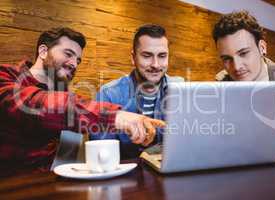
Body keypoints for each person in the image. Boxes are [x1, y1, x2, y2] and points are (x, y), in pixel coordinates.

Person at [0, 27, 165, 175]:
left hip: (49, 182)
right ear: (43, 51)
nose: (74, 64)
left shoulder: (61, 92)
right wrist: (115, 116)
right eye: (68, 54)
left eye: (78, 60)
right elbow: (36, 103)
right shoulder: (6, 78)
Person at [91, 24, 183, 159]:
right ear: (133, 58)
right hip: (126, 176)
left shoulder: (181, 90)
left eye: (162, 56)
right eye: (147, 56)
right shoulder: (108, 95)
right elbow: (101, 156)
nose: (156, 65)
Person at [212, 10, 275, 142]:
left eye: (243, 53)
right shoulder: (223, 85)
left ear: (262, 48)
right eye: (227, 59)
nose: (236, 66)